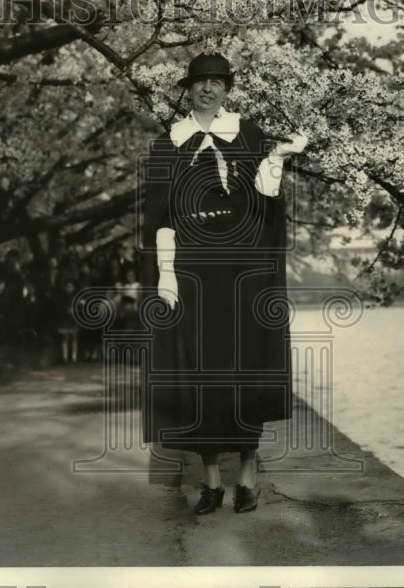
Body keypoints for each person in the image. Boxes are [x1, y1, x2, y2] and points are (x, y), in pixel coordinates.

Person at [140, 52, 307, 515]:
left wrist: (275, 158)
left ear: (228, 88)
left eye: (216, 81)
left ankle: (248, 477)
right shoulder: (167, 145)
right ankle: (212, 481)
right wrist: (166, 275)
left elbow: (265, 200)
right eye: (199, 82)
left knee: (243, 371)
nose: (208, 89)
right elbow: (161, 217)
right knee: (201, 375)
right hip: (194, 276)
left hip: (242, 272)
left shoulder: (248, 135)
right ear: (187, 90)